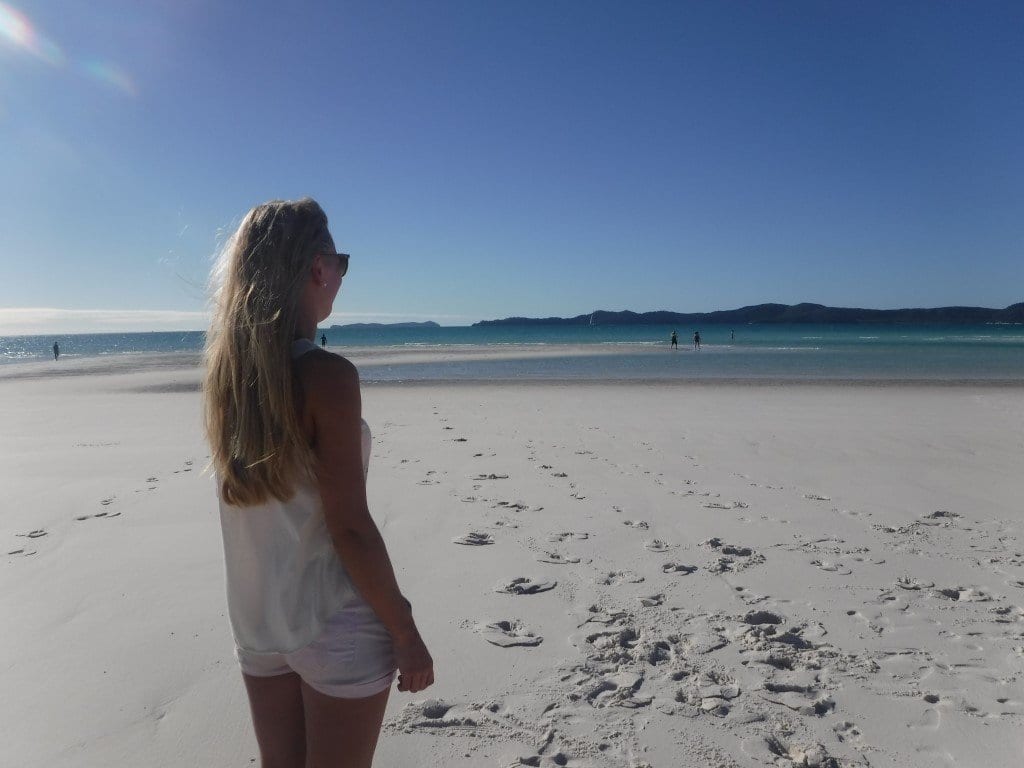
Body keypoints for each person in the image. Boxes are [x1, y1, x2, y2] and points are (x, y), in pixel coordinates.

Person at [203, 198, 433, 768]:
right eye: (341, 262)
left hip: (258, 620)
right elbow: (349, 527)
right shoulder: (326, 376)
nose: (340, 277)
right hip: (333, 621)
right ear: (316, 268)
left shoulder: (229, 380)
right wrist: (404, 630)